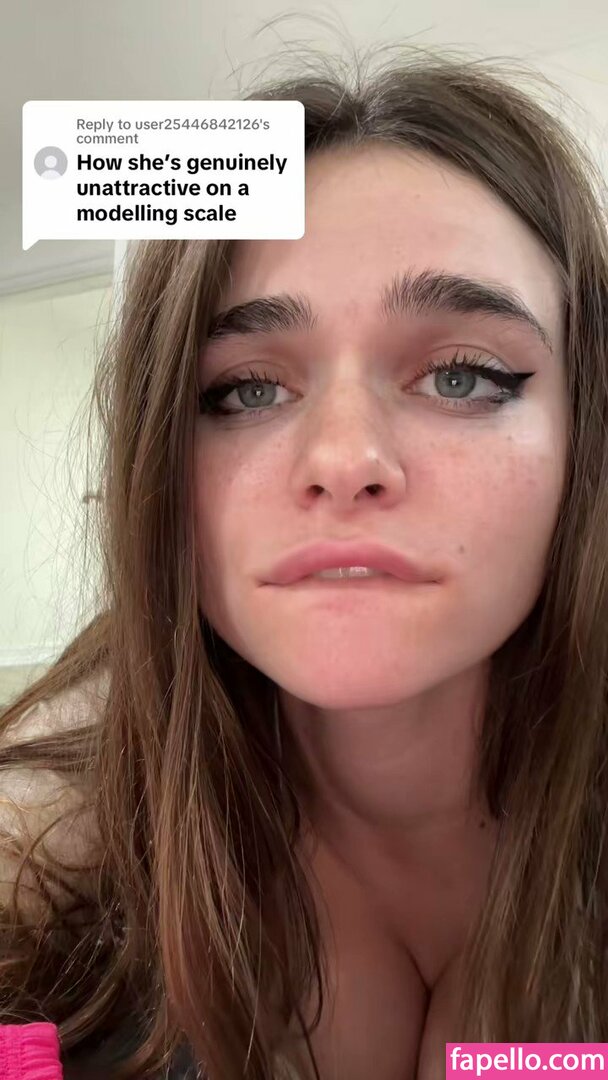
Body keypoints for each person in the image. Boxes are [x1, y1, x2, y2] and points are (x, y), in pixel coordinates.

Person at [1, 44, 608, 1080]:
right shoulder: (42, 878)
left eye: (461, 376)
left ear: (583, 437)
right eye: (246, 390)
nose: (343, 460)